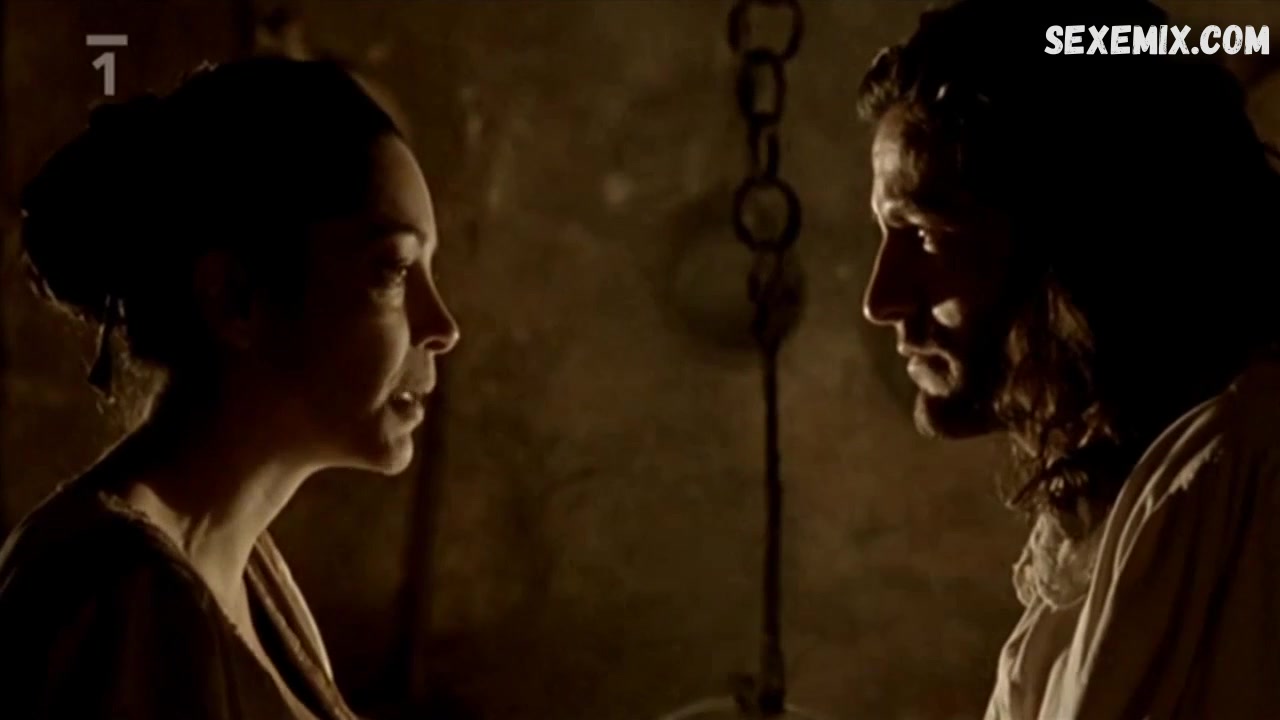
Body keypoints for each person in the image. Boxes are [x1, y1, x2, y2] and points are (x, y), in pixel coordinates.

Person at [0, 56, 459, 719]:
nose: (443, 327)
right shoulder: (126, 605)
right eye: (392, 270)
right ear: (235, 298)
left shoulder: (249, 574)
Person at [858, 0, 1280, 717]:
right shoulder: (1114, 509)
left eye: (926, 235)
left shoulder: (1238, 477)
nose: (881, 299)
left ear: (1082, 247)